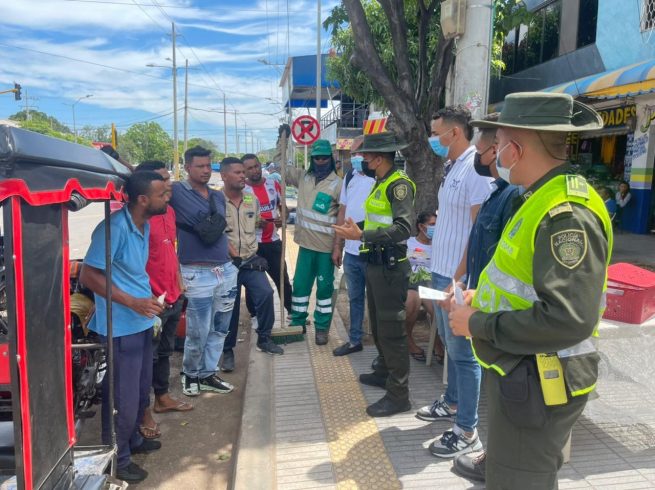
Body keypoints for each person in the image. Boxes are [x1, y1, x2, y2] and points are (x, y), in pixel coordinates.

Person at [449, 92, 612, 489]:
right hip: (524, 374)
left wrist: (479, 323)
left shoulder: (566, 214)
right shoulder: (537, 198)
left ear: (516, 149)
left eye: (498, 143)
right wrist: (480, 300)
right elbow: (527, 286)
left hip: (540, 382)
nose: (493, 154)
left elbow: (567, 319)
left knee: (518, 482)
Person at [445, 113, 519, 481]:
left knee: (490, 377)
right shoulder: (496, 195)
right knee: (488, 378)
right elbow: (480, 248)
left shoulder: (514, 201)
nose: (475, 158)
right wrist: (464, 284)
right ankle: (489, 450)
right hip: (482, 301)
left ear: (496, 151)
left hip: (501, 316)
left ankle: (474, 438)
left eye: (479, 150)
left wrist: (479, 303)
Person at [80, 171, 168, 483]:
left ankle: (133, 441)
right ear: (143, 199)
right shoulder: (114, 228)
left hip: (141, 321)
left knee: (141, 388)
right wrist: (132, 302)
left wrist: (147, 304)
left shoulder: (142, 225)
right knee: (123, 397)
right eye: (162, 194)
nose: (167, 197)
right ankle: (118, 457)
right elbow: (88, 276)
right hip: (120, 327)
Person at [419, 106, 493, 458]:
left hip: (458, 279)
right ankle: (451, 404)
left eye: (437, 133)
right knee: (451, 345)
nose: (433, 139)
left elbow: (479, 231)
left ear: (455, 133)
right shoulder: (452, 168)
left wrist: (460, 278)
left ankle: (467, 429)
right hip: (442, 272)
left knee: (464, 354)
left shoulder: (475, 171)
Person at [333, 132, 415, 417]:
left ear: (379, 159)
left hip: (391, 267)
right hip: (376, 264)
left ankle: (399, 395)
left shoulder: (399, 185)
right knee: (379, 327)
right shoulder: (380, 182)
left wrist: (363, 234)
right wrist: (354, 228)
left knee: (392, 331)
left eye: (365, 156)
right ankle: (383, 372)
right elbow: (381, 219)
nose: (362, 160)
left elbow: (404, 228)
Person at [169, 145, 238, 397]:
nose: (206, 171)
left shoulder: (217, 196)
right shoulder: (176, 191)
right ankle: (190, 374)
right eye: (200, 166)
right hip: (196, 273)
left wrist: (236, 258)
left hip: (225, 271)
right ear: (187, 167)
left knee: (220, 327)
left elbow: (219, 230)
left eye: (209, 166)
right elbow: (146, 182)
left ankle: (208, 374)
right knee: (197, 331)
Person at [134, 161, 192, 442]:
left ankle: (162, 397)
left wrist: (179, 284)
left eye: (168, 179)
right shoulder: (138, 219)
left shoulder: (168, 211)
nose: (168, 184)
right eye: (161, 180)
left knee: (165, 352)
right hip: (151, 301)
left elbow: (171, 250)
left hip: (172, 295)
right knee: (146, 358)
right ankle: (143, 412)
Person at [221, 157, 284, 361]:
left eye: (243, 172)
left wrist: (269, 223)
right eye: (237, 172)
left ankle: (264, 338)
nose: (242, 176)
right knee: (230, 307)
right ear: (224, 176)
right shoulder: (215, 201)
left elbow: (256, 221)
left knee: (266, 294)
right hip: (228, 265)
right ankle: (227, 350)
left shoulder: (250, 199)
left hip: (249, 261)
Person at [285, 139, 342, 345]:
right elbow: (281, 168)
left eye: (324, 157)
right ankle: (298, 324)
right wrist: (281, 143)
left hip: (326, 249)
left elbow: (342, 219)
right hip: (305, 246)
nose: (320, 161)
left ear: (331, 159)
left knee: (325, 290)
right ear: (311, 159)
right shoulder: (303, 178)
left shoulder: (338, 185)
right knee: (300, 287)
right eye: (317, 157)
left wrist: (338, 247)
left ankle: (322, 328)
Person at [332, 135, 375, 356]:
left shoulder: (381, 178)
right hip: (351, 252)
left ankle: (381, 346)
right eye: (353, 153)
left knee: (377, 302)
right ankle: (355, 339)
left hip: (374, 252)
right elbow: (342, 211)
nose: (356, 157)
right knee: (355, 297)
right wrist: (337, 245)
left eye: (360, 152)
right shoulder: (350, 176)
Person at [242, 153, 293, 323]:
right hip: (252, 245)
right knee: (253, 283)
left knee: (282, 279)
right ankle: (255, 315)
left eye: (256, 166)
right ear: (244, 171)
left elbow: (283, 207)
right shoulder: (242, 190)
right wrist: (255, 222)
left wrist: (283, 217)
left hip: (273, 242)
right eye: (249, 168)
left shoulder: (273, 184)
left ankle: (291, 311)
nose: (254, 170)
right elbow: (237, 216)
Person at [405, 211, 443, 362]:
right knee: (412, 301)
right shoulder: (409, 242)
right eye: (432, 225)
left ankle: (437, 343)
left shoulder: (440, 246)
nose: (436, 228)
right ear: (421, 226)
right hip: (410, 284)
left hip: (430, 286)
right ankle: (409, 341)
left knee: (438, 308)